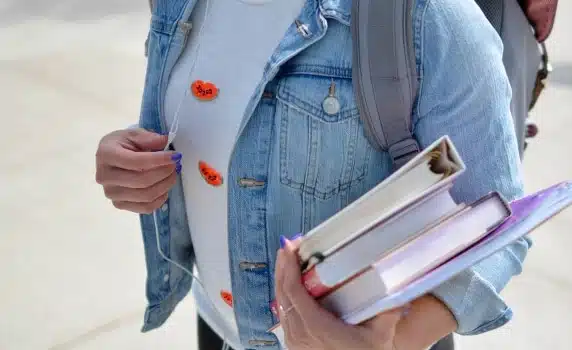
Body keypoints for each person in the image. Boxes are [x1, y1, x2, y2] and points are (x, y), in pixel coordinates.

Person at [94, 0, 538, 349]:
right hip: (217, 325)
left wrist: (394, 343)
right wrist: (132, 163)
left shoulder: (428, 15)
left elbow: (497, 220)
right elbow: (206, 123)